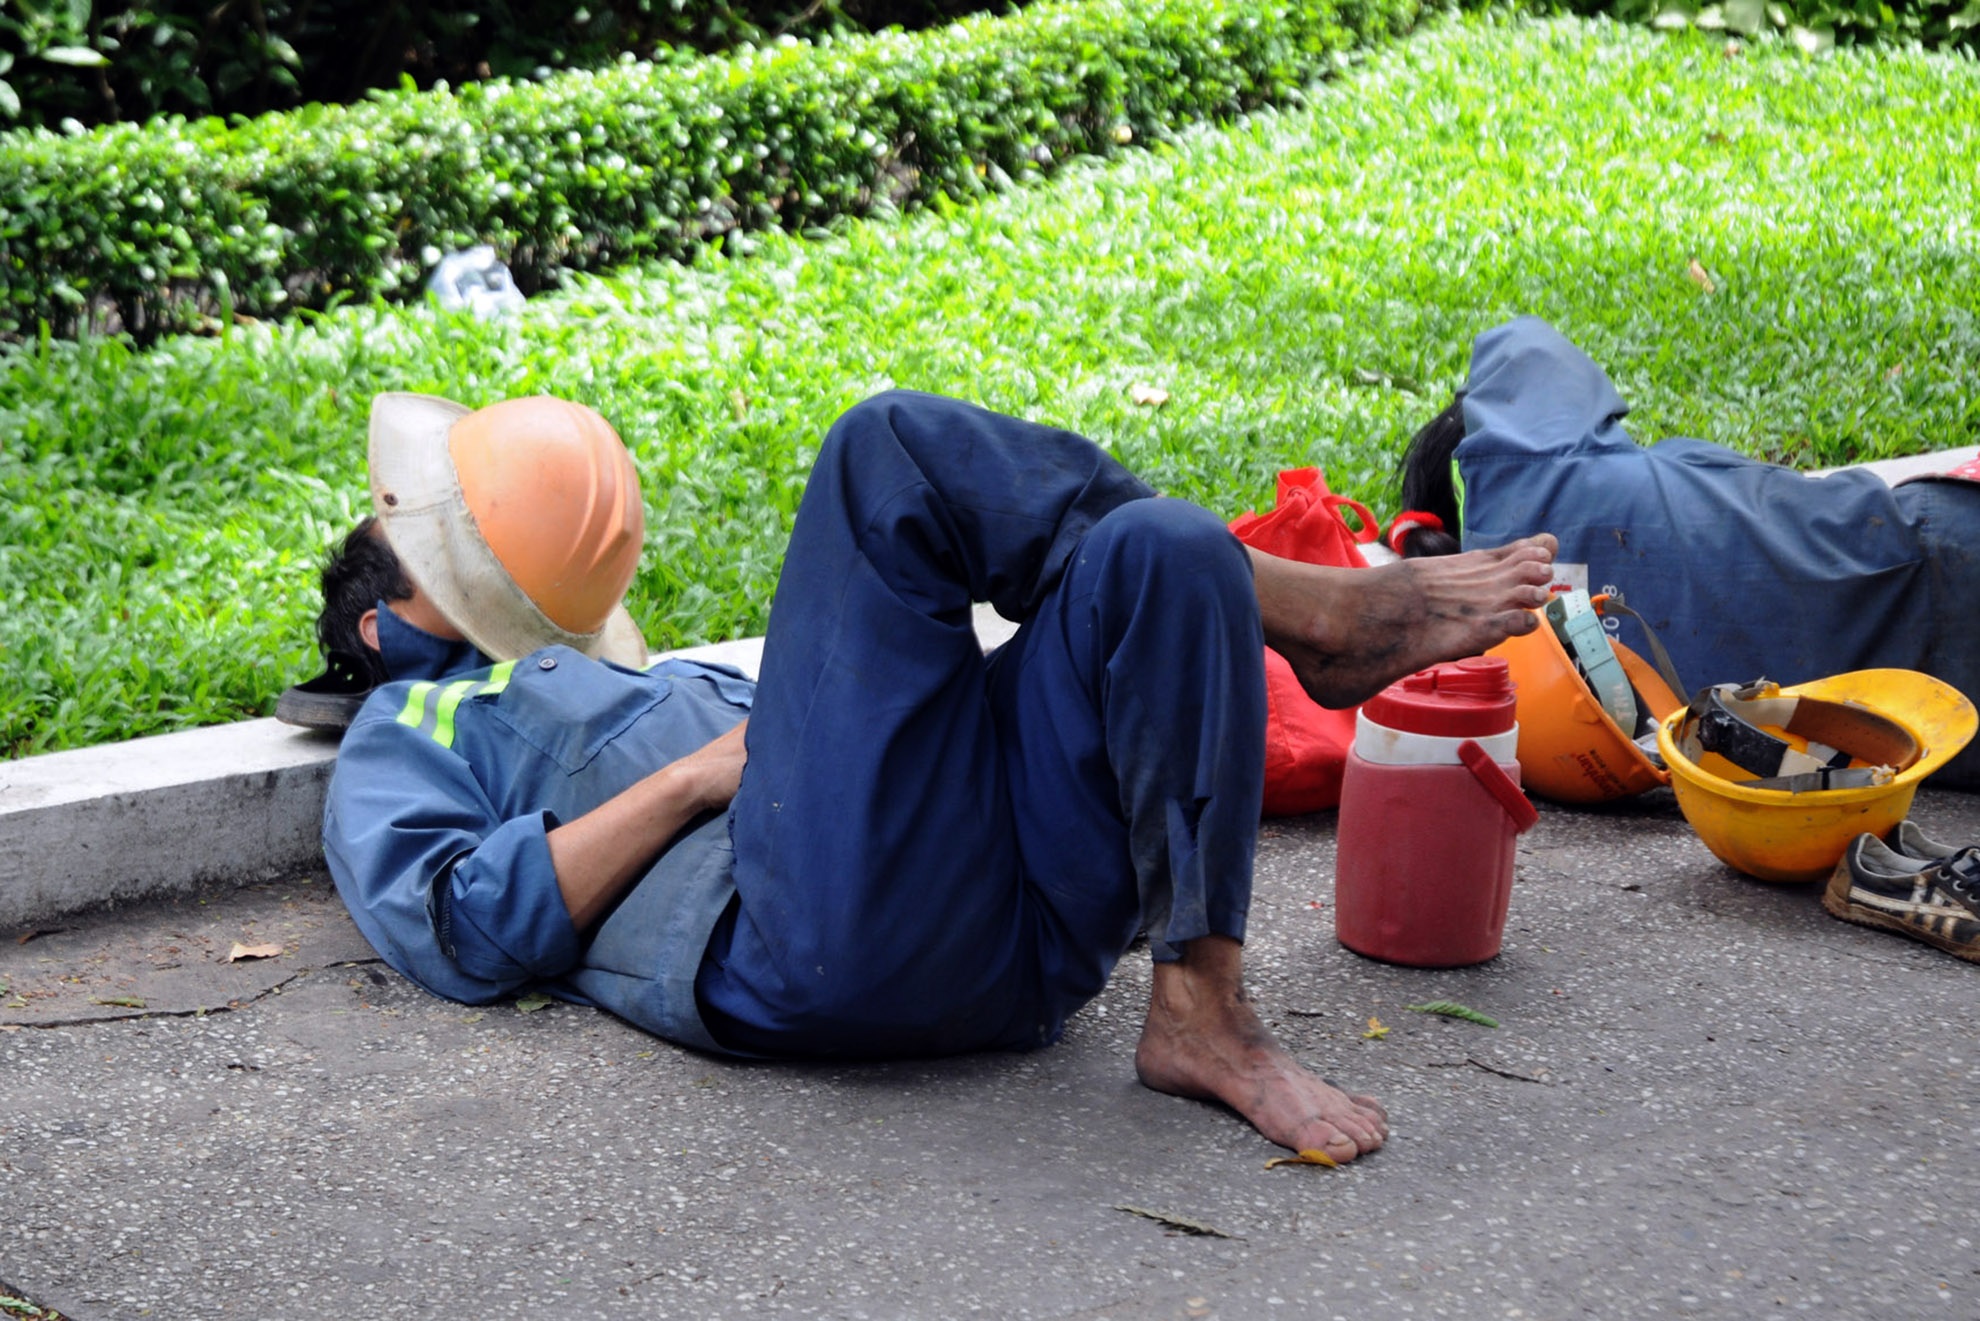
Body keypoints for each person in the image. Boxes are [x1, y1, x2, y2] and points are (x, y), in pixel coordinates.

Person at [311, 387, 1558, 1164]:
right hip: (810, 946)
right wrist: (694, 781)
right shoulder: (406, 727)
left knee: (1160, 549)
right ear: (381, 623)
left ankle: (1200, 1011)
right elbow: (458, 926)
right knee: (885, 454)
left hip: (1024, 943)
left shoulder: (660, 678)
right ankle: (1315, 614)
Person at [1393, 316, 1980, 790]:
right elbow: (1522, 346)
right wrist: (1474, 404)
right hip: (1929, 551)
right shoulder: (1546, 470)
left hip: (1923, 735)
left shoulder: (1510, 685)